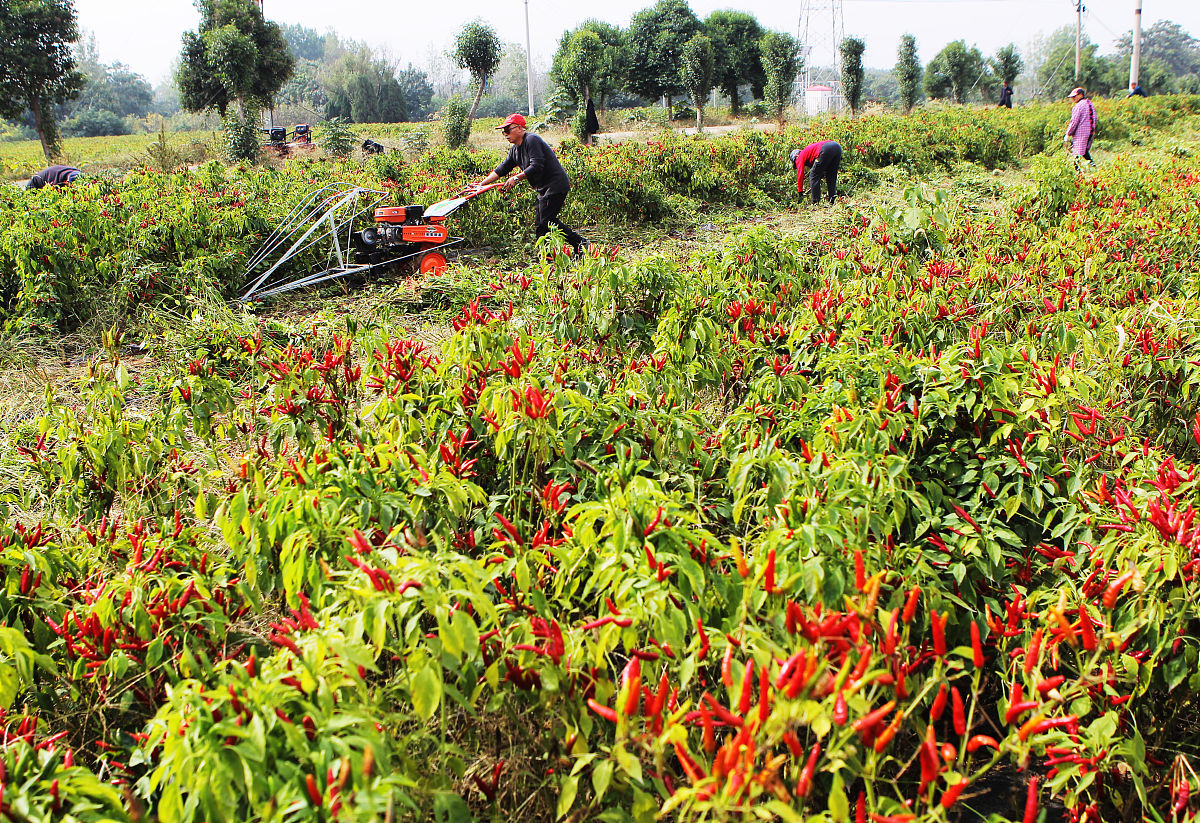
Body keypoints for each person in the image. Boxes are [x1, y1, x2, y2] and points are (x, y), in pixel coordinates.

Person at [476, 113, 588, 255]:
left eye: (508, 130)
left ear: (520, 128)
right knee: (540, 224)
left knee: (547, 220)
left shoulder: (531, 140)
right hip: (543, 188)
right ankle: (546, 257)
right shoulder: (515, 149)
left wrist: (516, 178)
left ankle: (579, 243)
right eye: (503, 131)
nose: (505, 134)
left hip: (555, 184)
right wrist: (481, 184)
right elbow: (502, 169)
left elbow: (537, 166)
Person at [790, 140, 842, 205]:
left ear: (796, 156)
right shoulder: (808, 153)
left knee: (813, 176)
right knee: (831, 176)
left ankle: (815, 203)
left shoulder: (800, 156)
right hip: (837, 147)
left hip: (825, 149)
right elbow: (821, 167)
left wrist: (800, 191)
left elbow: (800, 174)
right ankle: (832, 200)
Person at [1064, 87, 1097, 164]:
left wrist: (1068, 133)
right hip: (1090, 132)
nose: (1073, 98)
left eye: (1074, 96)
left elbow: (1074, 121)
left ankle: (1080, 173)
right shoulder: (1090, 104)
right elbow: (1095, 118)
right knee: (1084, 152)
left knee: (1077, 155)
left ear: (1081, 95)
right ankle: (1093, 167)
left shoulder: (1078, 106)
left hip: (1081, 133)